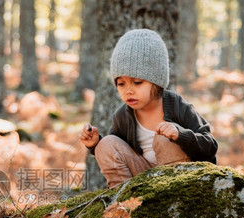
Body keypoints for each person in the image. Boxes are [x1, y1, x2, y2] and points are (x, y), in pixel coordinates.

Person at [80, 29, 218, 188]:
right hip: (143, 179)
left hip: (181, 180)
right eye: (121, 84)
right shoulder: (122, 116)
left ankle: (175, 203)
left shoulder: (176, 105)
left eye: (137, 82)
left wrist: (180, 135)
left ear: (156, 81)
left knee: (164, 137)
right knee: (107, 143)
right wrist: (94, 144)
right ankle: (124, 202)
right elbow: (115, 154)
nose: (128, 91)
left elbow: (210, 146)